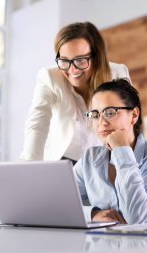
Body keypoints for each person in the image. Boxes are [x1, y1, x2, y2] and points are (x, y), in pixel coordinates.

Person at [74, 78, 147, 225]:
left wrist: (122, 150)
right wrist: (92, 214)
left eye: (109, 112)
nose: (101, 122)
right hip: (114, 245)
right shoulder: (89, 159)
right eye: (95, 114)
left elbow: (137, 217)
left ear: (133, 115)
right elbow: (59, 203)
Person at [20, 22, 131, 163]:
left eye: (80, 60)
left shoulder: (117, 73)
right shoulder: (49, 77)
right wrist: (29, 168)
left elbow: (129, 121)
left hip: (106, 158)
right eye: (64, 61)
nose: (73, 69)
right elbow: (37, 123)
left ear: (96, 57)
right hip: (65, 159)